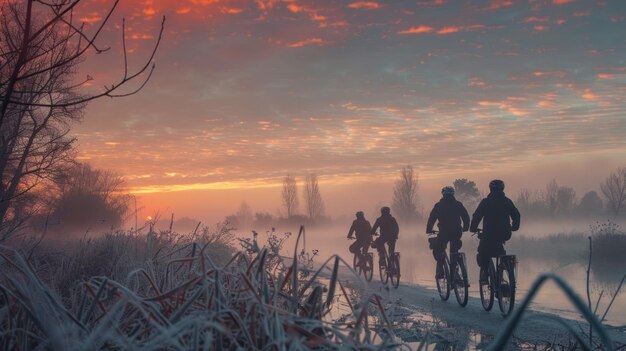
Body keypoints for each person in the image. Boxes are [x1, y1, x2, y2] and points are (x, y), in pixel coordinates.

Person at [470, 179, 521, 282]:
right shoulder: (507, 201)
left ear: (490, 189)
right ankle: (501, 273)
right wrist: (514, 227)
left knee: (482, 252)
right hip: (505, 234)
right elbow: (516, 215)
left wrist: (473, 228)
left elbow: (477, 216)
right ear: (502, 189)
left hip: (488, 234)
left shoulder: (486, 202)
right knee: (500, 251)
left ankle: (484, 272)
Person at [426, 186, 470, 279]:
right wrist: (466, 227)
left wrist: (429, 230)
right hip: (457, 231)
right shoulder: (458, 204)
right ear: (453, 194)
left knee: (438, 249)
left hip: (444, 232)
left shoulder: (438, 206)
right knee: (454, 251)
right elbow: (465, 216)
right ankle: (455, 272)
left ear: (443, 194)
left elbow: (432, 218)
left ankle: (440, 270)